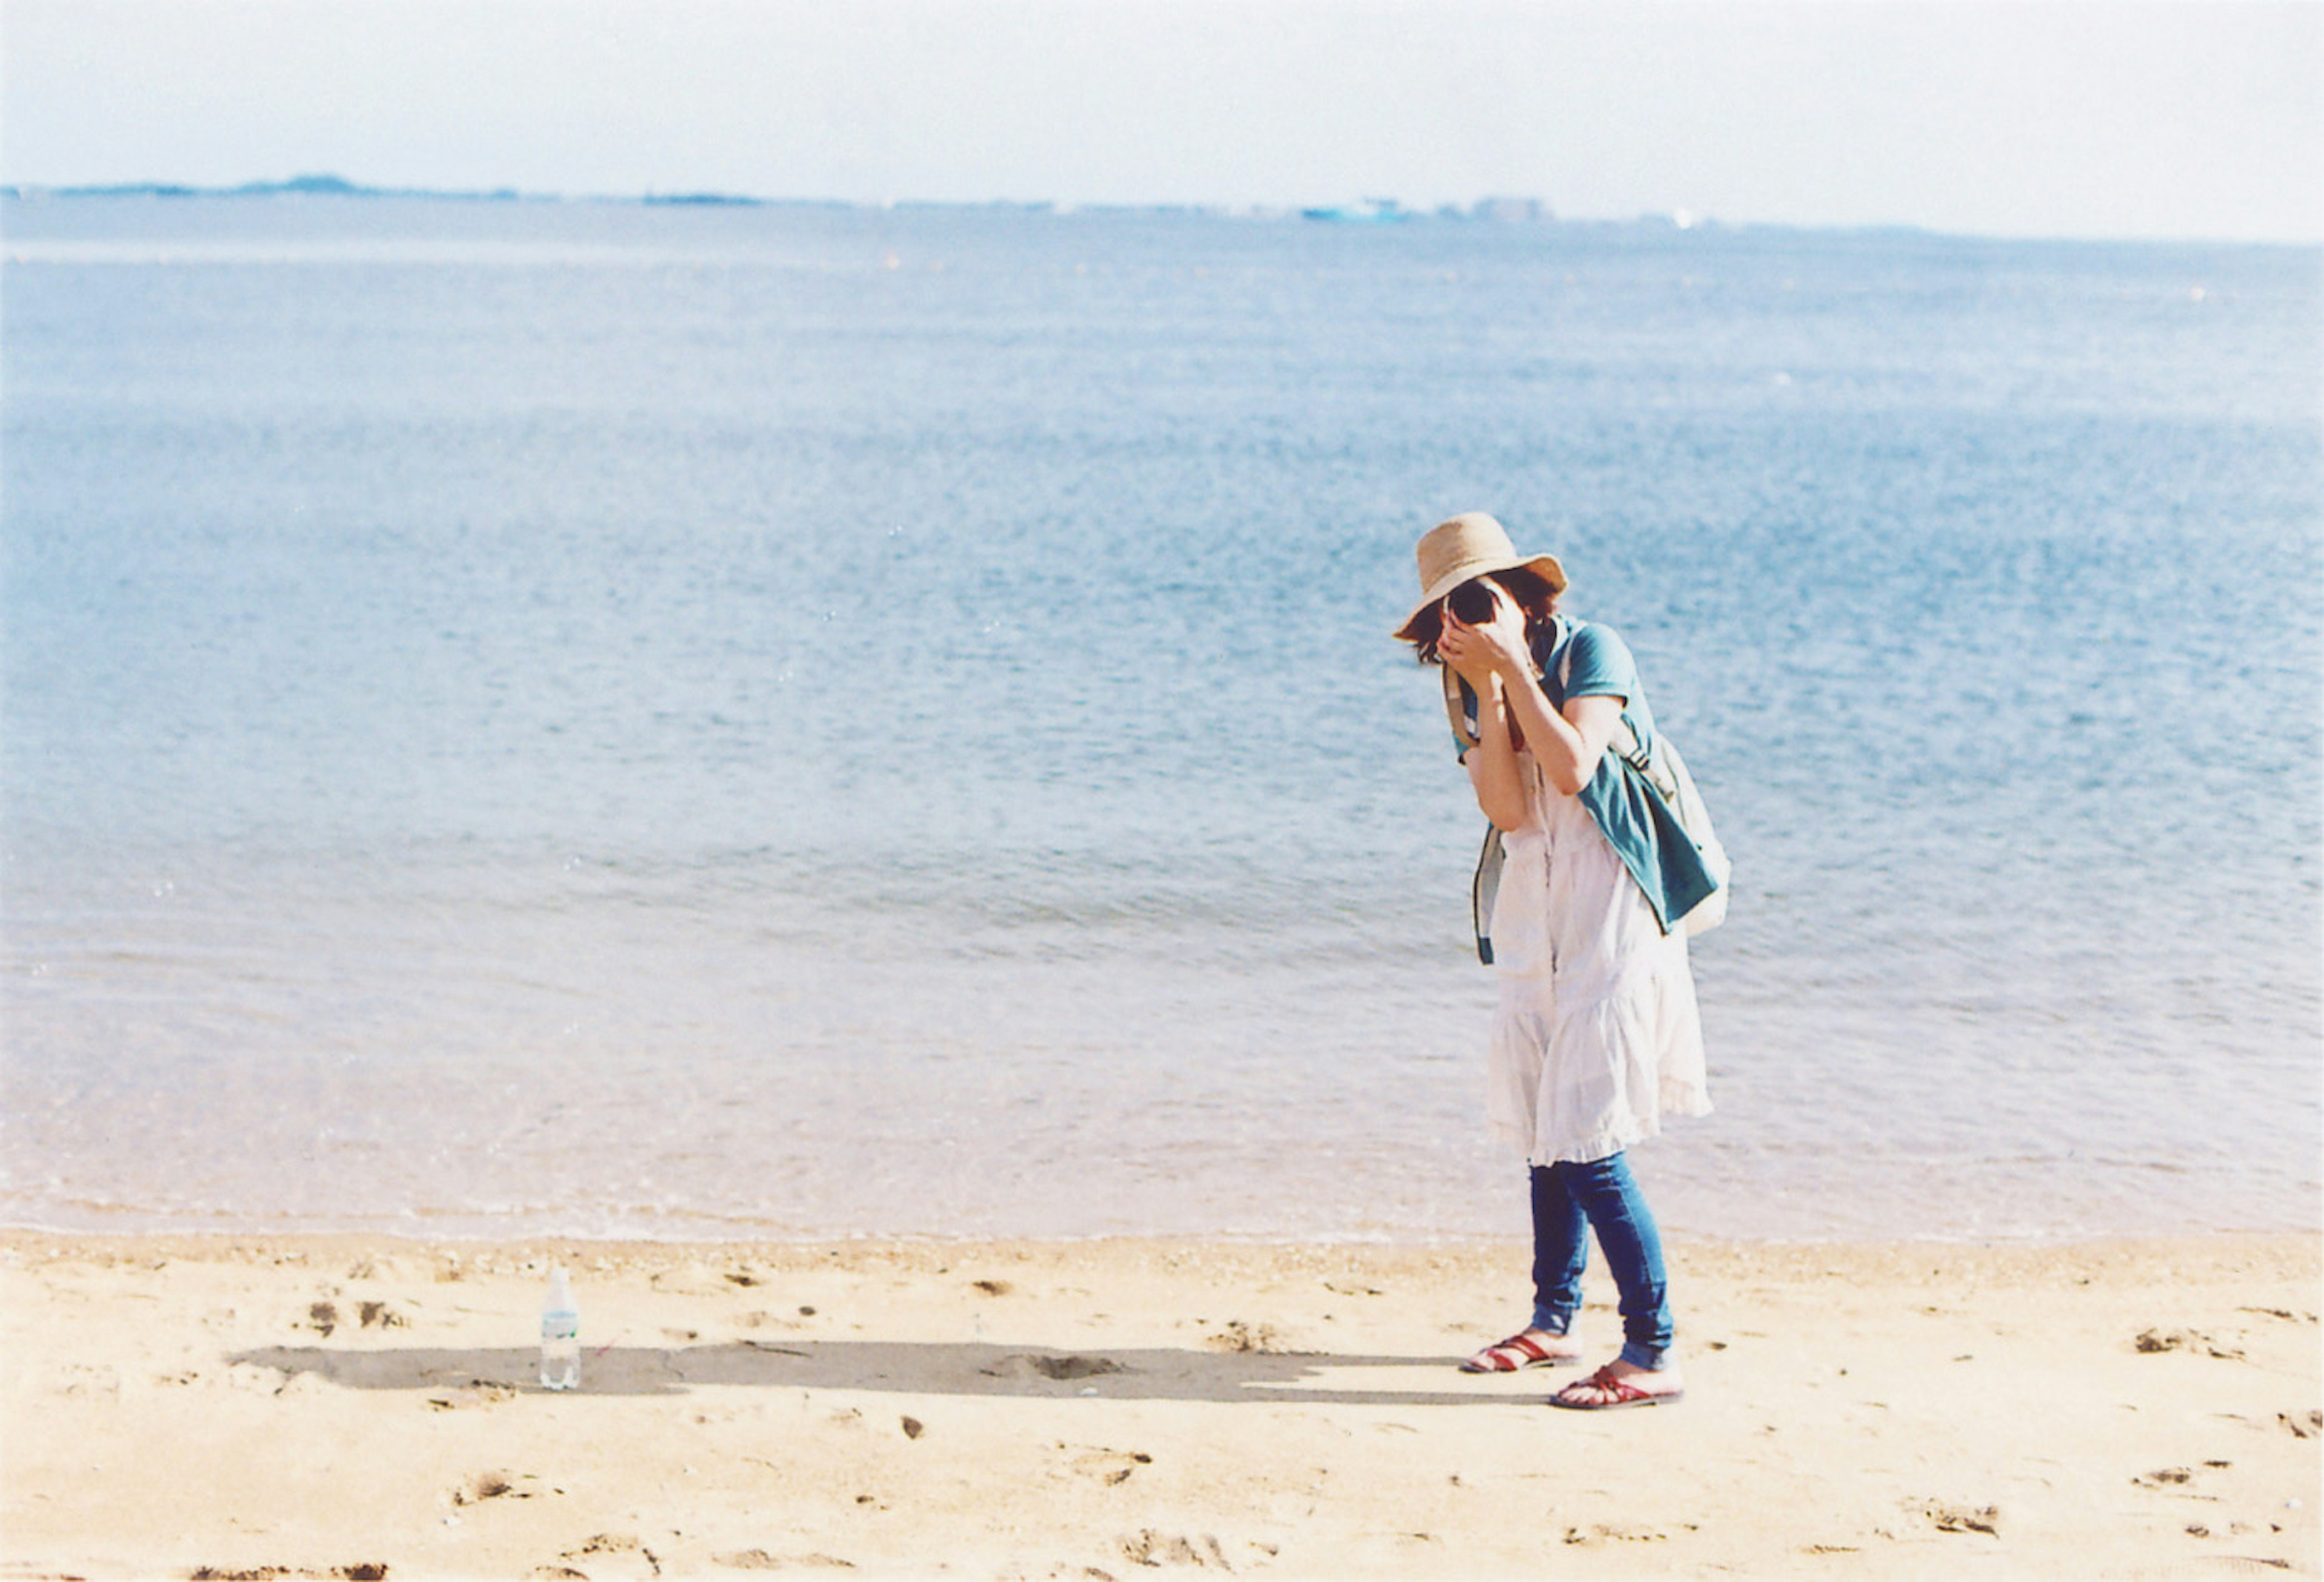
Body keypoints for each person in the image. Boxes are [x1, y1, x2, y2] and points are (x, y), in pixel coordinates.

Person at [1394, 511, 1712, 1410]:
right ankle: (1553, 1317)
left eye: (1478, 600)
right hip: (1538, 907)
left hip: (1614, 905)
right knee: (1544, 1122)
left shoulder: (1591, 652)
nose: (1464, 620)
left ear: (1522, 593)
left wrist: (1515, 669)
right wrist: (1487, 692)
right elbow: (1507, 808)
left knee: (1587, 1133)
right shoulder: (1468, 686)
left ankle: (1653, 1348)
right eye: (1447, 612)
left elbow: (1572, 766)